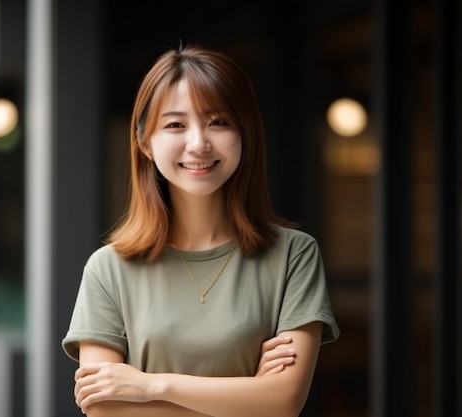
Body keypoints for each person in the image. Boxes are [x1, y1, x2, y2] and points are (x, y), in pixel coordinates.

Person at [62, 43, 339, 417]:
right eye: (175, 124)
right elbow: (104, 409)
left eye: (219, 122)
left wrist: (149, 386)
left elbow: (284, 401)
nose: (198, 144)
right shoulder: (108, 268)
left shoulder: (293, 254)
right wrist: (250, 394)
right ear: (145, 143)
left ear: (246, 134)